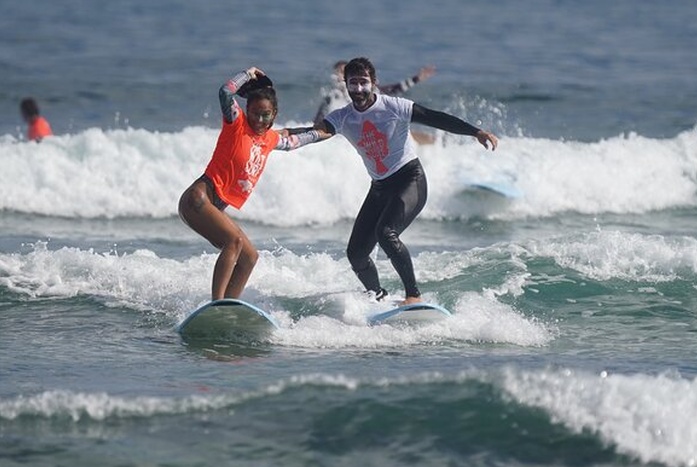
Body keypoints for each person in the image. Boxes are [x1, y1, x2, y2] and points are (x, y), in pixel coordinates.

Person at [288, 57, 498, 306]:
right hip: (379, 188)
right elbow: (314, 133)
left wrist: (476, 132)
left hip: (410, 179)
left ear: (374, 83)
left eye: (363, 82)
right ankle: (377, 296)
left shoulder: (395, 107)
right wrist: (278, 137)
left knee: (386, 234)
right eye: (352, 83)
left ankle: (414, 296)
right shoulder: (342, 117)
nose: (358, 89)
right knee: (356, 254)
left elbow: (435, 117)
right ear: (345, 85)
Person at [179, 66, 324, 301]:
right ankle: (216, 303)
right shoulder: (236, 124)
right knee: (233, 241)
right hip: (198, 198)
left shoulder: (269, 139)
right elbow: (225, 93)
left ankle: (229, 305)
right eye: (254, 113)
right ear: (247, 110)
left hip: (213, 206)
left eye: (265, 115)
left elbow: (295, 140)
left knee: (249, 258)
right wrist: (247, 74)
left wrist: (323, 133)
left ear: (274, 114)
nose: (259, 119)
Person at [313, 60, 436, 126]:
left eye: (343, 72)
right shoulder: (332, 98)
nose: (340, 75)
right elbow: (318, 122)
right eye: (338, 72)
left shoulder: (368, 91)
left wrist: (416, 78)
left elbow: (394, 89)